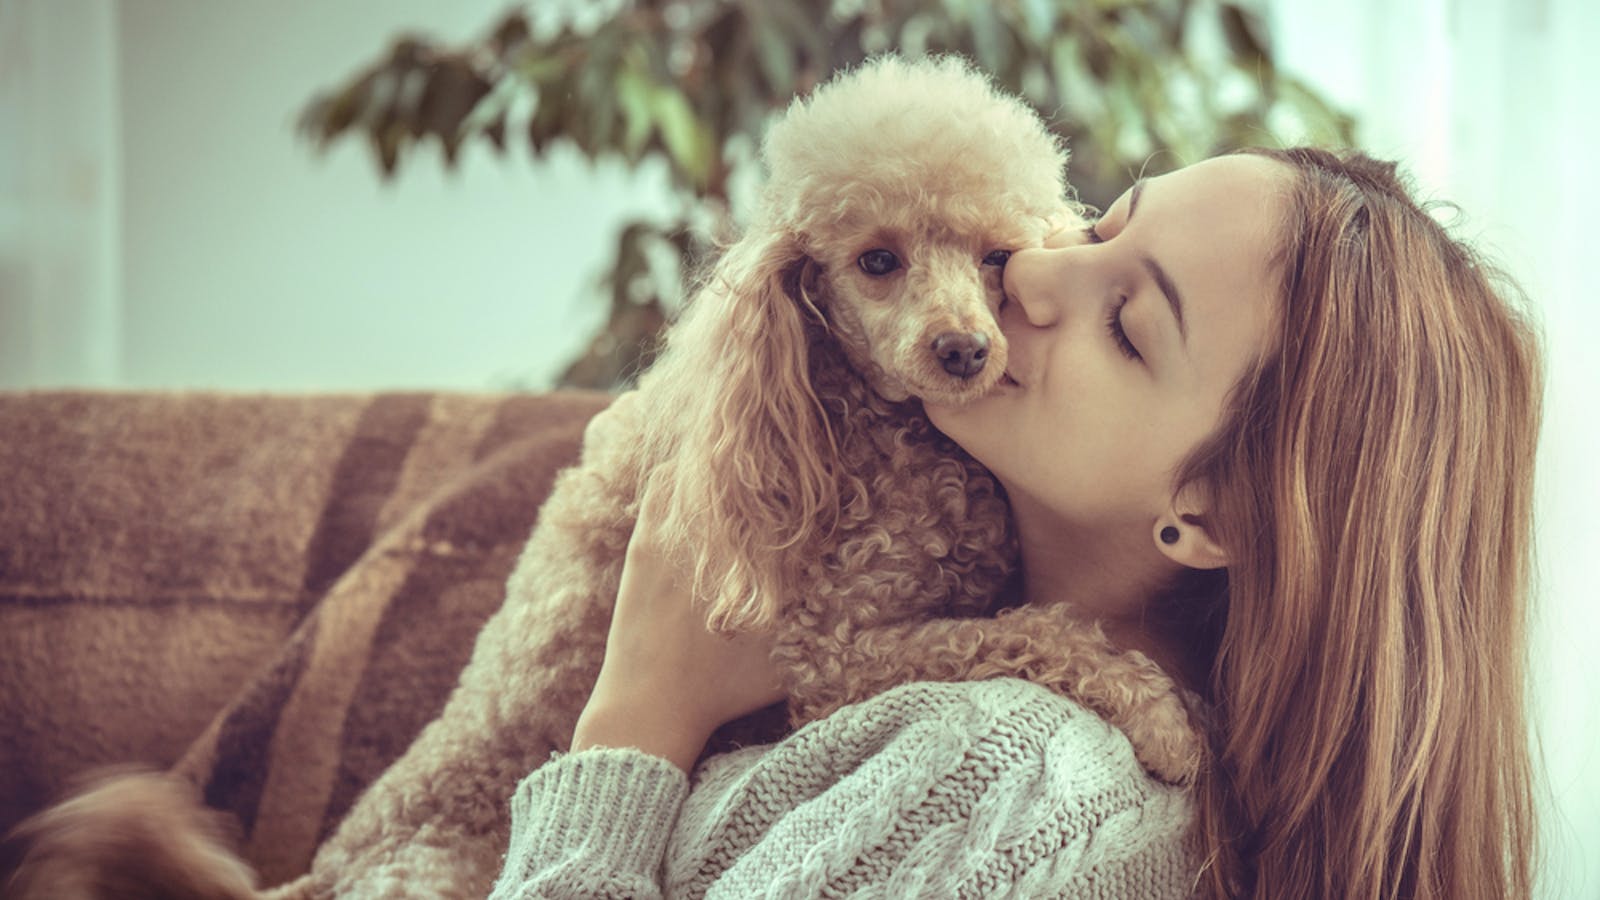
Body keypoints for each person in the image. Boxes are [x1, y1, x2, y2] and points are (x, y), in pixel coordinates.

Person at [489, 147, 1541, 899]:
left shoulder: (1006, 779)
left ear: (1212, 514)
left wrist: (637, 719)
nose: (1028, 273)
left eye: (1126, 325)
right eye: (1101, 224)